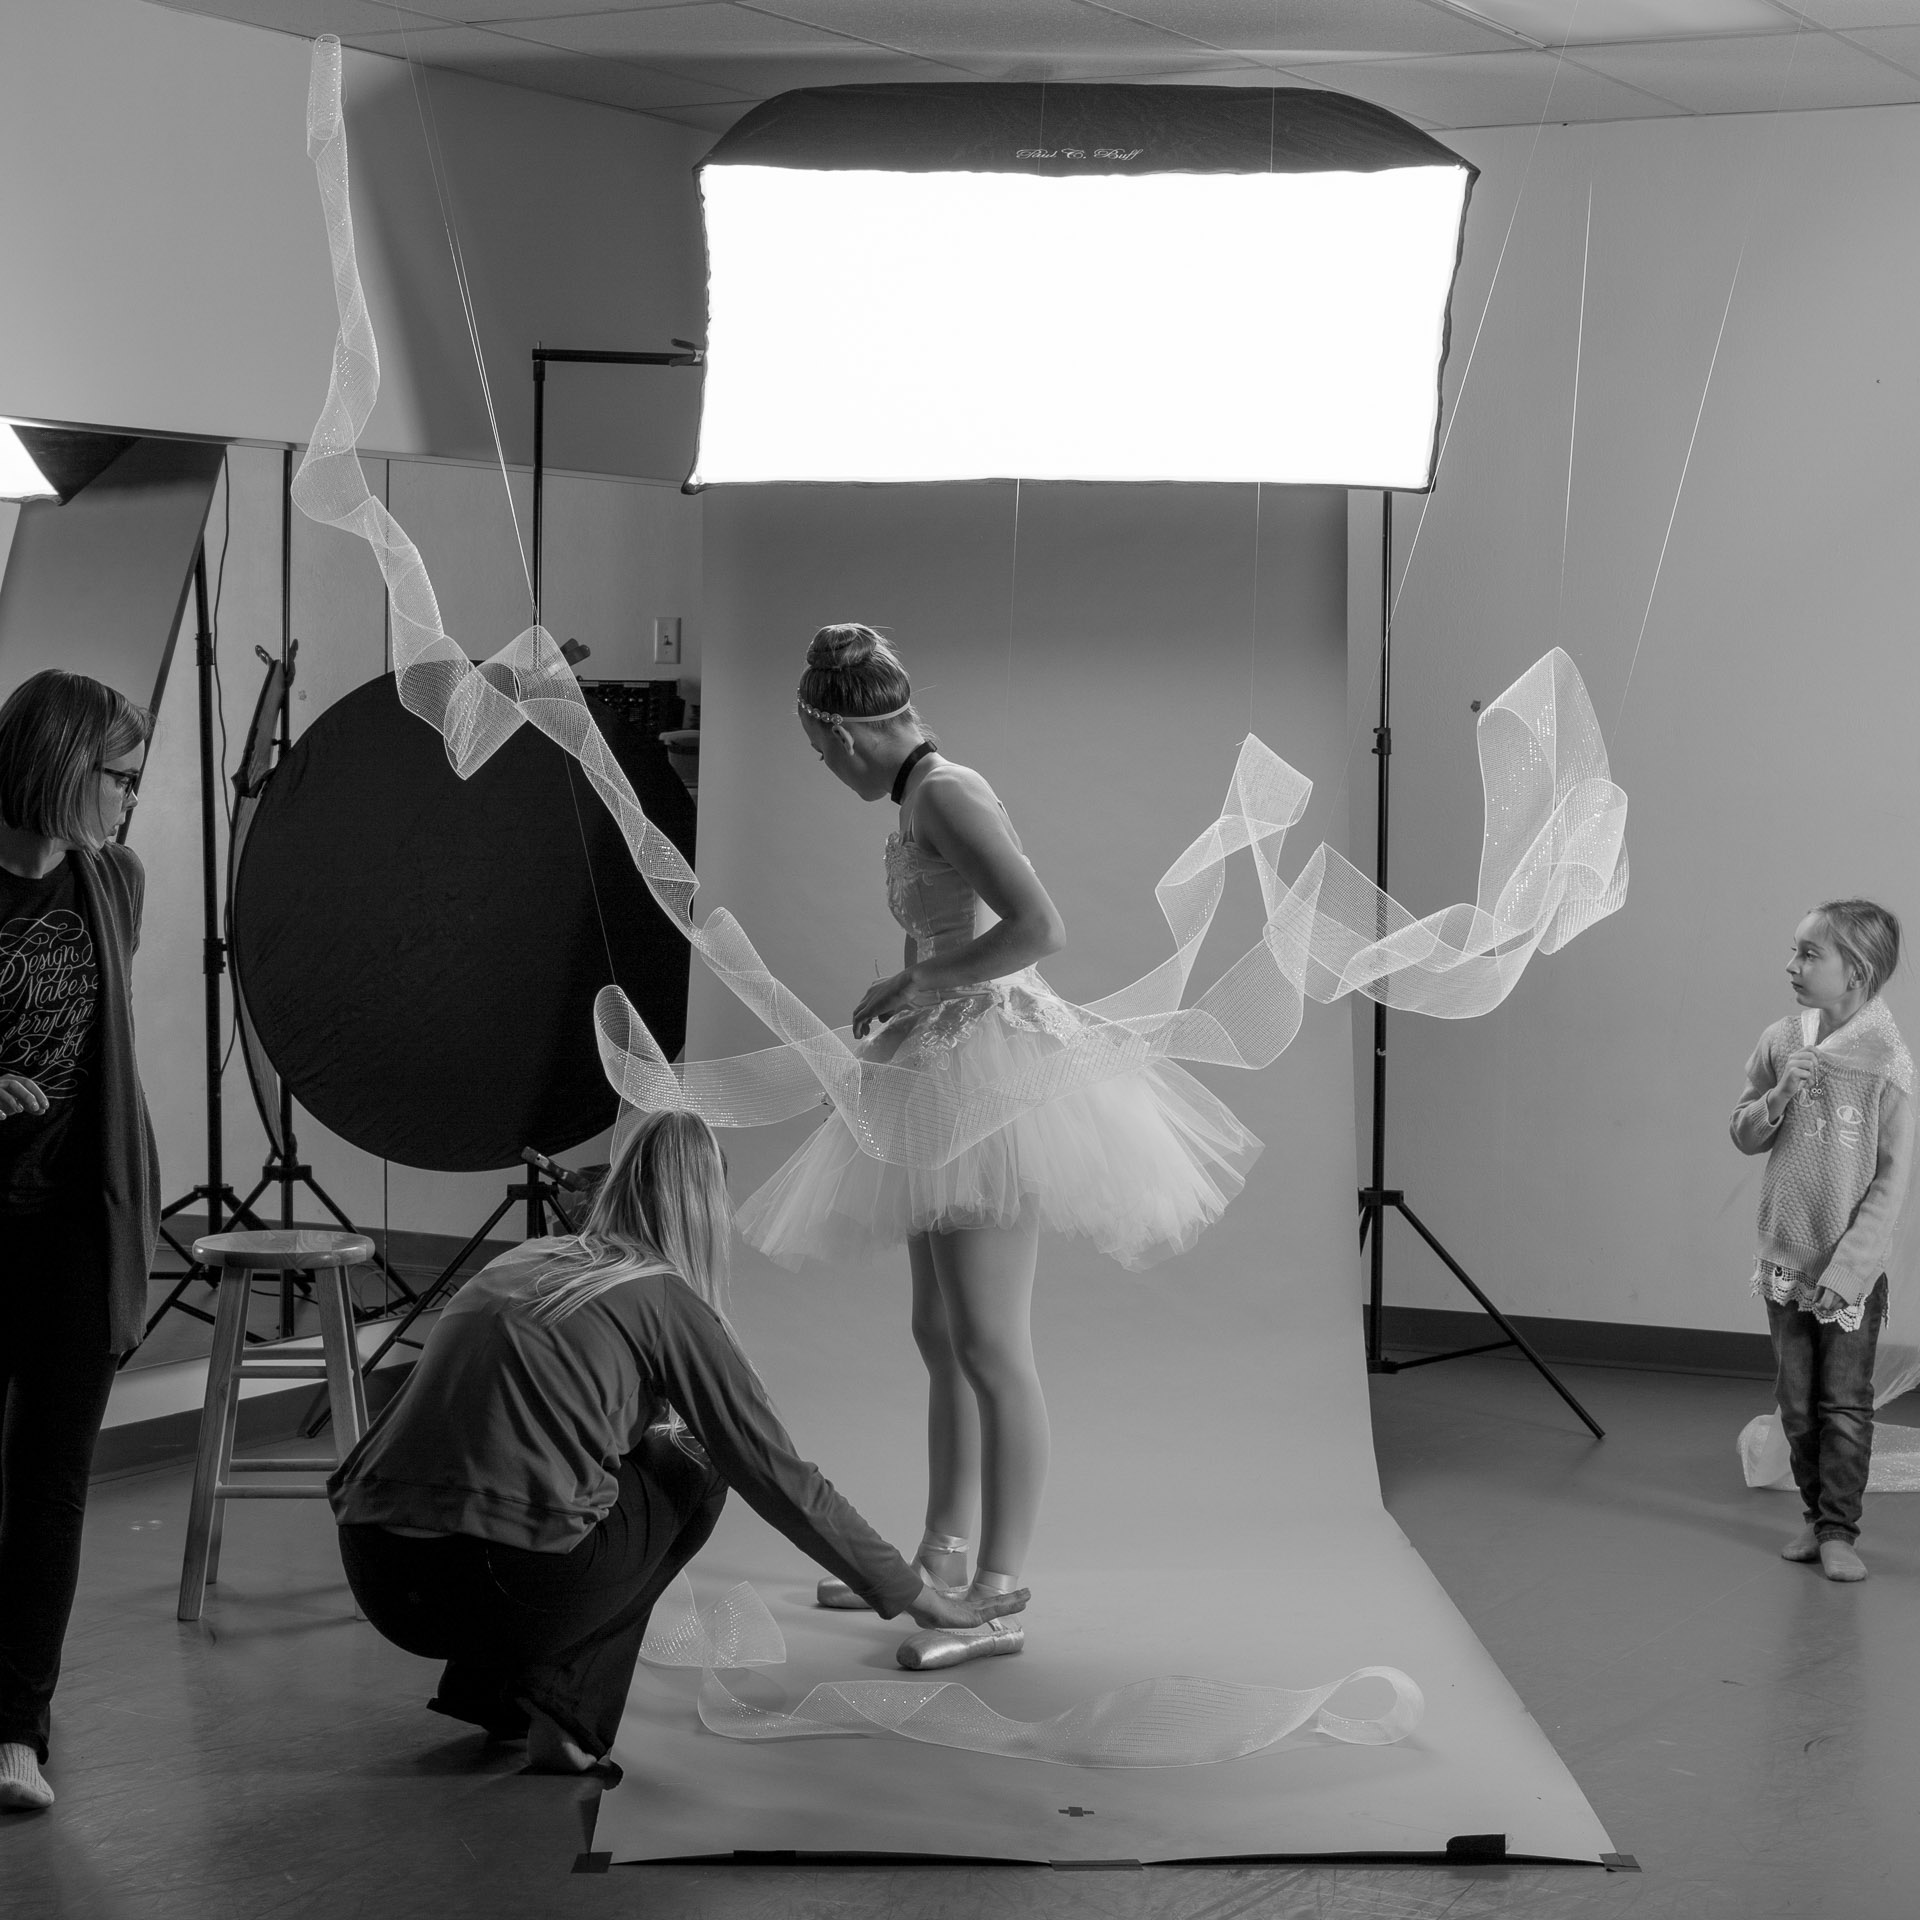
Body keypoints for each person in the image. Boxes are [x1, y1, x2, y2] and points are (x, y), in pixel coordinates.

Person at [736, 625, 1258, 1670]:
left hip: (997, 1074)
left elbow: (1038, 929)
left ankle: (1001, 1589)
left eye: (820, 748)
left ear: (850, 732)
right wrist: (908, 992)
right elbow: (944, 931)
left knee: (989, 1340)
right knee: (940, 1332)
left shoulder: (947, 791)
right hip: (943, 1061)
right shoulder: (917, 799)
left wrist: (922, 985)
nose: (825, 769)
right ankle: (939, 1557)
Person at [329, 1108, 1024, 1772]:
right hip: (504, 1592)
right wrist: (920, 1598)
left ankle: (493, 1696)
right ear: (704, 1210)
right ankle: (568, 1720)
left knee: (591, 1467)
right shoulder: (664, 1300)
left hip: (379, 1577)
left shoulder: (517, 1264)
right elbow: (781, 1478)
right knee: (697, 1464)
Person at [0, 670, 159, 1813]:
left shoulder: (114, 882)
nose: (130, 801)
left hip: (73, 1223)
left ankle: (17, 1729)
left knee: (51, 1483)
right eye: (120, 777)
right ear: (60, 765)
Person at [1731, 898, 1913, 1583]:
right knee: (1797, 1403)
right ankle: (1813, 1516)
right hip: (1785, 1258)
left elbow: (1892, 1183)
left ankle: (1840, 1530)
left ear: (1856, 971)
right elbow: (1743, 1132)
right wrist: (1777, 1096)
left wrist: (1852, 1271)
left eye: (1810, 953)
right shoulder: (1784, 1038)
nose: (1792, 964)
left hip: (1848, 1276)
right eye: (1794, 950)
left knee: (1843, 1404)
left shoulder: (1887, 1064)